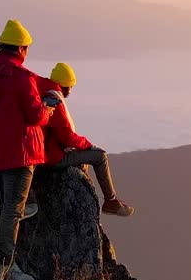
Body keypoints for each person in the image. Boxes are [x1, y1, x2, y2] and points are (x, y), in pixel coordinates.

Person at [0, 19, 56, 280]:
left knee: (5, 205)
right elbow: (35, 115)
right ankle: (6, 265)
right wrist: (48, 109)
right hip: (20, 153)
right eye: (27, 48)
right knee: (12, 210)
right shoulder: (22, 78)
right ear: (21, 48)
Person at [38, 62, 135, 216]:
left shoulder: (44, 93)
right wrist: (88, 145)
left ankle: (86, 191)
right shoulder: (54, 100)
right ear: (65, 86)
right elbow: (67, 137)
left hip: (45, 153)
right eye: (70, 87)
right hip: (53, 157)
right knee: (100, 156)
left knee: (83, 162)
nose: (70, 91)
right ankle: (111, 202)